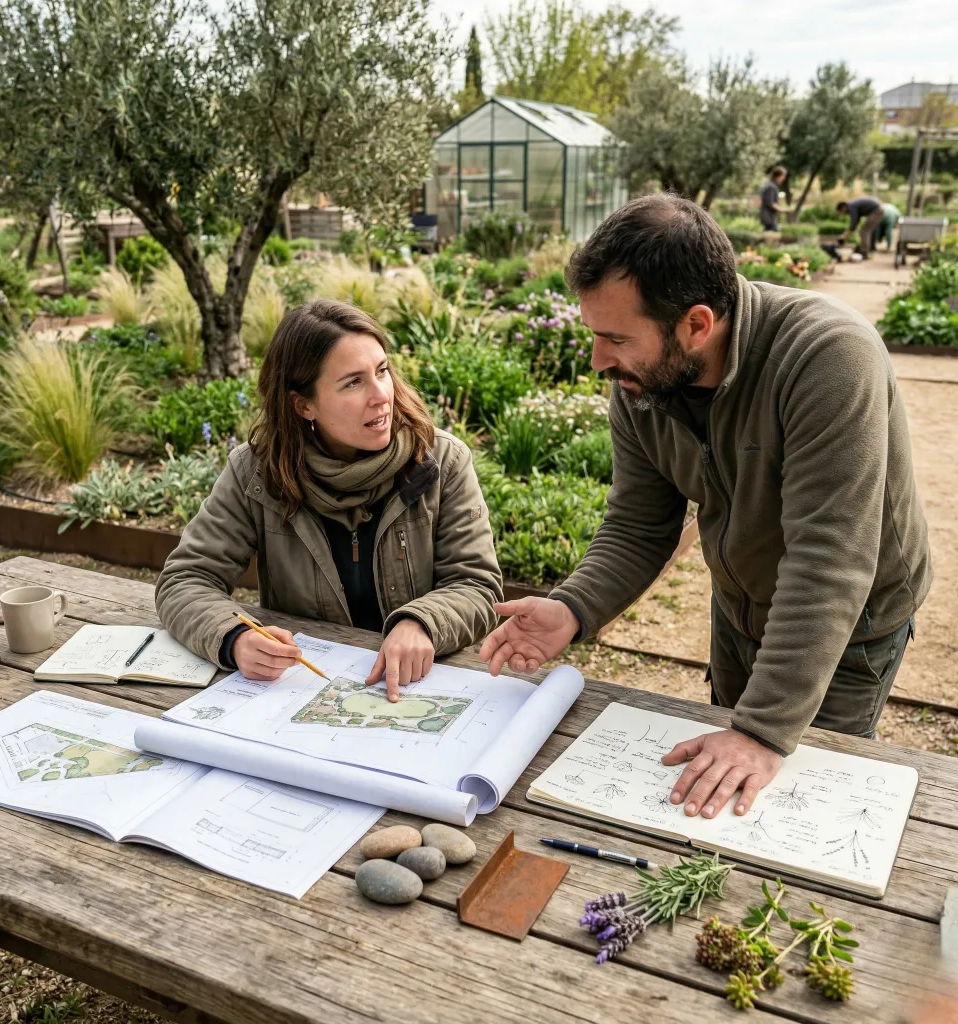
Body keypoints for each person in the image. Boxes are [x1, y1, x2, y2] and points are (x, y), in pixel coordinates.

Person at [480, 194, 931, 823]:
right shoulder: (644, 380)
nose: (598, 361)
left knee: (800, 804)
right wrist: (572, 608)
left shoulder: (828, 358)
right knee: (723, 785)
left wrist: (765, 730)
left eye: (615, 338)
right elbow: (639, 523)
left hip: (848, 621)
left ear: (696, 324)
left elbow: (828, 562)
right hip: (739, 606)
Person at [156, 298, 503, 700]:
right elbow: (185, 579)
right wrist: (233, 636)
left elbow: (477, 585)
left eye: (382, 371)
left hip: (422, 687)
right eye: (353, 382)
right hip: (304, 691)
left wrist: (422, 623)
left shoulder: (441, 460)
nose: (381, 396)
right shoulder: (256, 472)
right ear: (304, 405)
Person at [758, 166, 787, 232]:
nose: (784, 178)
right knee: (772, 237)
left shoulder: (771, 185)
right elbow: (770, 203)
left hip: (768, 217)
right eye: (783, 176)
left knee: (769, 237)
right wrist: (782, 210)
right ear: (779, 176)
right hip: (768, 217)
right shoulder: (771, 186)